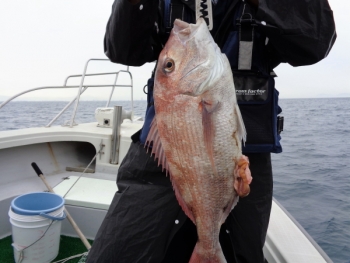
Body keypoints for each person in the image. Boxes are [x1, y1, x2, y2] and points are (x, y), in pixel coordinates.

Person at [86, 0, 336, 262]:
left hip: (244, 164)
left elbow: (314, 44)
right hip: (165, 153)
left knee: (241, 254)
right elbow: (124, 51)